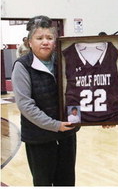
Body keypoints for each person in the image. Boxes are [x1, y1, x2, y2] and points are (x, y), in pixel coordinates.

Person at [12, 15, 78, 186]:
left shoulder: (64, 62)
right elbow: (25, 105)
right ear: (29, 42)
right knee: (43, 182)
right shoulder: (22, 66)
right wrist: (55, 125)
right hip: (38, 138)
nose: (45, 42)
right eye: (39, 38)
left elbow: (76, 93)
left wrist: (84, 118)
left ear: (55, 41)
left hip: (67, 135)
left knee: (67, 182)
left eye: (49, 38)